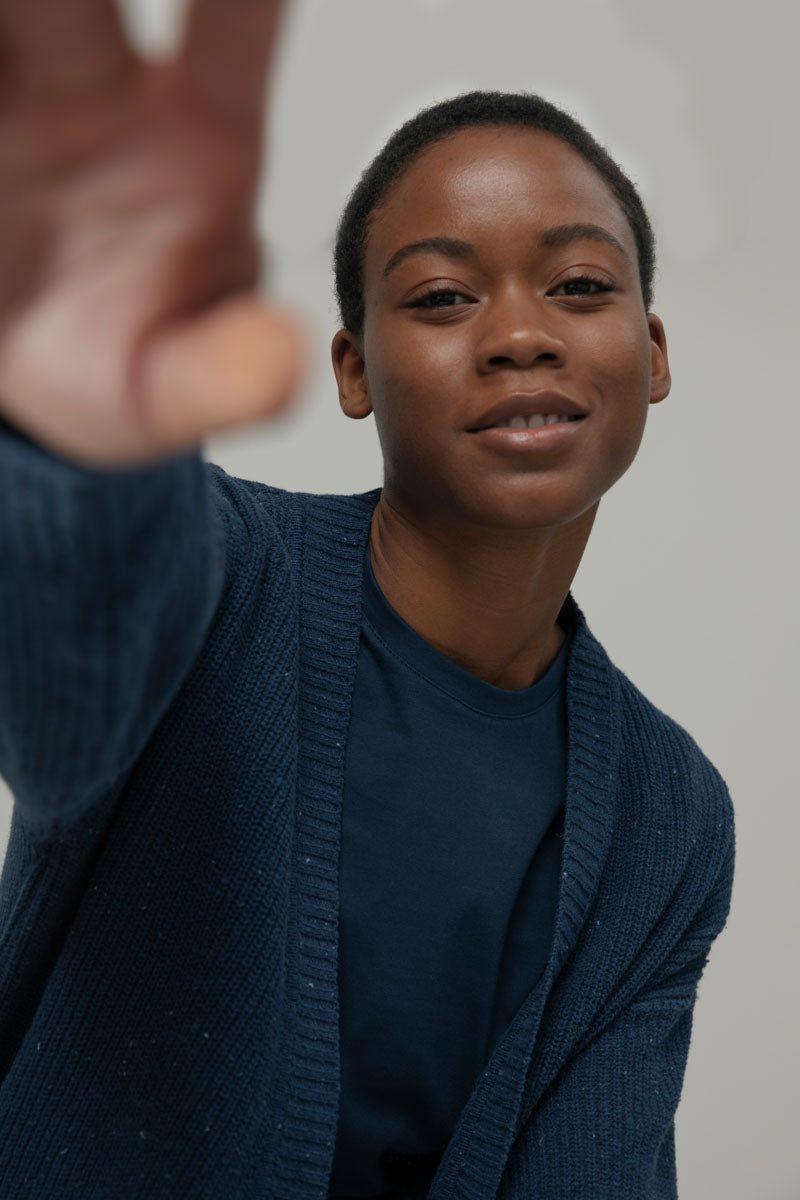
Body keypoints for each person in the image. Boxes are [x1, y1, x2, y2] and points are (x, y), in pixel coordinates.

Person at [0, 2, 735, 1197]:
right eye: (442, 298)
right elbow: (63, 666)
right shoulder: (217, 573)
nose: (516, 334)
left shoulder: (668, 818)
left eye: (579, 285)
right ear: (354, 370)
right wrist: (76, 442)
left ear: (649, 354)